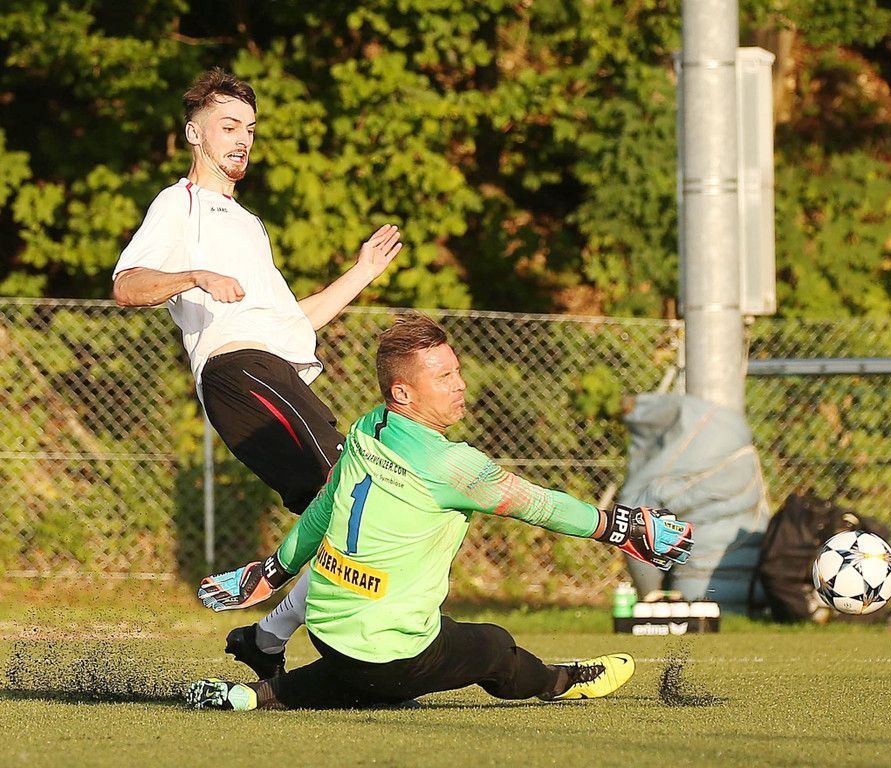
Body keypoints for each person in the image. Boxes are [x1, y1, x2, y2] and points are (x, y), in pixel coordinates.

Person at [187, 313, 694, 710]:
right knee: (492, 647)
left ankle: (255, 693)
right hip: (387, 652)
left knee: (368, 673)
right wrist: (621, 527)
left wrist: (273, 571)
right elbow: (540, 505)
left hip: (327, 631)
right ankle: (563, 681)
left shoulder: (367, 429)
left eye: (457, 372)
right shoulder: (452, 465)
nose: (460, 385)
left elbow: (322, 510)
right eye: (444, 376)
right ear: (402, 392)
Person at [112, 68, 402, 677]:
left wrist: (362, 272)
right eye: (228, 126)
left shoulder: (249, 224)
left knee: (351, 514)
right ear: (195, 134)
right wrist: (194, 275)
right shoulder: (180, 203)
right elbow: (128, 285)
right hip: (239, 371)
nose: (242, 139)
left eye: (249, 128)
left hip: (270, 370)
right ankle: (271, 586)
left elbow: (293, 323)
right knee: (357, 490)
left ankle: (268, 638)